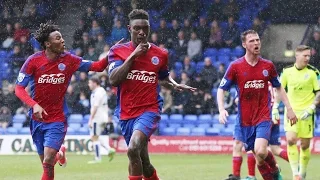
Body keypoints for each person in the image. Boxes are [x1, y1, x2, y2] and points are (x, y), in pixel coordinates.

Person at [14, 21, 115, 180]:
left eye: (61, 37)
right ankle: (60, 153)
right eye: (58, 38)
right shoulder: (33, 61)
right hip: (37, 119)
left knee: (48, 161)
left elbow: (98, 66)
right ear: (47, 44)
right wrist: (34, 105)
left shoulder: (69, 60)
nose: (62, 40)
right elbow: (18, 89)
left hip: (57, 118)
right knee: (47, 163)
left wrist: (113, 52)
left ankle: (57, 154)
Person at [108, 9, 196, 180]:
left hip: (150, 109)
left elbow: (162, 77)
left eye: (145, 28)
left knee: (133, 148)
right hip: (126, 113)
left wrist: (175, 84)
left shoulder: (160, 54)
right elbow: (114, 79)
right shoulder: (117, 51)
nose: (142, 32)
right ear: (129, 29)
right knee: (144, 162)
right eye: (137, 28)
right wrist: (133, 56)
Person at [217, 29, 297, 180]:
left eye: (258, 40)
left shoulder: (268, 66)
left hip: (263, 116)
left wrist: (289, 108)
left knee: (260, 151)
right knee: (259, 158)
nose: (256, 43)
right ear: (244, 44)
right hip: (245, 121)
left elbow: (278, 87)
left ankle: (275, 170)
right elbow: (222, 89)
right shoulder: (235, 66)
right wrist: (221, 109)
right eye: (252, 41)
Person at [273, 45, 320, 180]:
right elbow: (279, 90)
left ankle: (303, 172)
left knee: (305, 145)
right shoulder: (287, 72)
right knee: (291, 140)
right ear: (297, 55)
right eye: (305, 55)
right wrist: (275, 106)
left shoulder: (314, 72)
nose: (307, 58)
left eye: (309, 56)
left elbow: (319, 93)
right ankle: (295, 174)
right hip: (291, 112)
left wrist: (311, 108)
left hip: (307, 114)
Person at [226, 82, 289, 180]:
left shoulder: (265, 79)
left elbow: (278, 93)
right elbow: (236, 99)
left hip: (263, 117)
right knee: (255, 152)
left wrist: (275, 108)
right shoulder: (243, 77)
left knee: (261, 153)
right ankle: (238, 176)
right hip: (246, 118)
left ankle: (280, 169)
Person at [87, 76, 116, 164]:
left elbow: (95, 106)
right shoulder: (101, 91)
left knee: (94, 137)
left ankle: (98, 158)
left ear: (95, 83)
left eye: (90, 83)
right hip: (103, 117)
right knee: (95, 136)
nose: (89, 84)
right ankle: (109, 149)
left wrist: (90, 119)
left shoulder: (98, 92)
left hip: (97, 118)